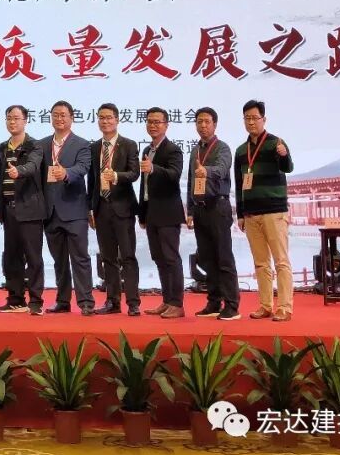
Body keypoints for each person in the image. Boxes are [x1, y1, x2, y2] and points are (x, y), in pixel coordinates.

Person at [234, 99, 294, 322]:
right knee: (260, 263)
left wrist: (284, 154)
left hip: (274, 212)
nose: (251, 122)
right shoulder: (241, 151)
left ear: (264, 119)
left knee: (281, 261)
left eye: (254, 118)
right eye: (247, 118)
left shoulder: (275, 143)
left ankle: (285, 307)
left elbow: (288, 167)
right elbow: (239, 184)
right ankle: (265, 305)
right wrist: (240, 214)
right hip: (251, 214)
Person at [39, 101, 95, 316]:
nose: (59, 119)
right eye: (55, 115)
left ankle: (86, 301)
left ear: (72, 118)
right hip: (50, 212)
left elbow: (82, 168)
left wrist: (66, 173)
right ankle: (62, 300)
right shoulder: (42, 144)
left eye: (63, 115)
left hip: (74, 211)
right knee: (59, 260)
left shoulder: (82, 144)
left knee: (80, 258)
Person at [87, 103, 142, 316]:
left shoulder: (128, 145)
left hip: (123, 209)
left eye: (109, 117)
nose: (105, 121)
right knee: (108, 258)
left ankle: (133, 303)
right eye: (101, 118)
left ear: (117, 120)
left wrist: (117, 176)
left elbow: (134, 173)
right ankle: (112, 301)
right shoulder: (94, 148)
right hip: (101, 208)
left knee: (128, 257)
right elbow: (92, 181)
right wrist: (90, 209)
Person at [186, 107, 240, 321]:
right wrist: (190, 210)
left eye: (207, 122)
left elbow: (222, 169)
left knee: (223, 257)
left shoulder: (222, 148)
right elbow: (191, 182)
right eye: (199, 122)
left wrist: (206, 170)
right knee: (207, 258)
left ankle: (232, 305)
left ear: (215, 124)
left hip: (218, 206)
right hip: (199, 209)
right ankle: (214, 302)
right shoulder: (195, 151)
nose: (203, 125)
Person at [0, 105, 46, 315]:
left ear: (25, 120)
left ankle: (36, 301)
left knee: (33, 257)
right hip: (8, 209)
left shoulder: (35, 146)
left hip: (30, 208)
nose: (12, 122)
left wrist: (19, 171)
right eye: (9, 118)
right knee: (11, 257)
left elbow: (33, 166)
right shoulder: (2, 148)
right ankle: (16, 299)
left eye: (16, 118)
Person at [139, 107, 186, 319]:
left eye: (157, 122)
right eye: (150, 121)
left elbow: (174, 175)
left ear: (166, 125)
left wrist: (154, 169)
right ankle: (167, 301)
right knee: (158, 258)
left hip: (168, 213)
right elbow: (144, 185)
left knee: (171, 258)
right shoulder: (146, 150)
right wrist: (142, 213)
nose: (153, 125)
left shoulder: (173, 150)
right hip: (152, 212)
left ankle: (177, 304)